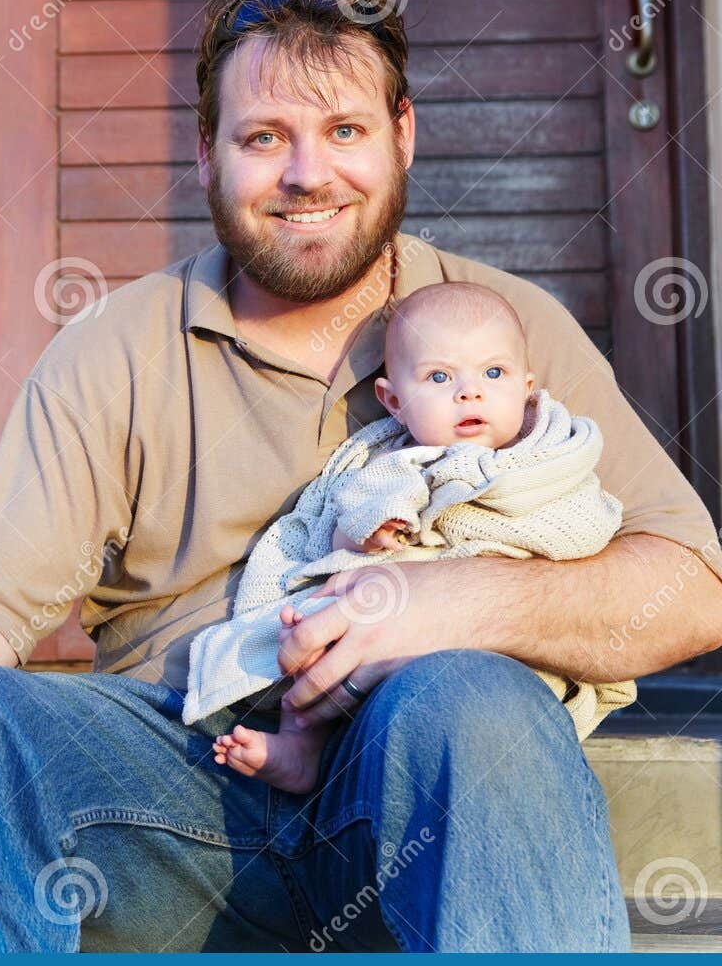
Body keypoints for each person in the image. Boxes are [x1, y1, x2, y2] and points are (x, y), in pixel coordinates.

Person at [0, 0, 722, 951]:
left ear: (402, 135)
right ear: (205, 154)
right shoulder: (119, 347)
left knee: (471, 690)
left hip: (417, 808)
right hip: (172, 808)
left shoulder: (502, 331)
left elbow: (691, 582)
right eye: (262, 138)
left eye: (343, 131)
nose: (306, 174)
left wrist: (453, 600)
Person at [208, 281, 634, 793]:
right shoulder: (392, 461)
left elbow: (586, 521)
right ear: (394, 401)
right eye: (438, 377)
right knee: (308, 638)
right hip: (378, 619)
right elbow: (338, 528)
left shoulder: (551, 455)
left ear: (527, 388)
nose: (469, 392)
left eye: (493, 373)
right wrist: (371, 530)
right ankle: (300, 746)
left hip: (490, 644)